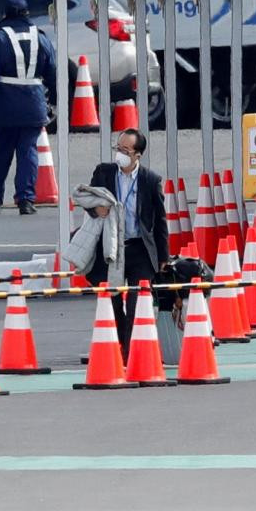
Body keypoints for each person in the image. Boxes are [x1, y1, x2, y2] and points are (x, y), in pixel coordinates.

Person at [85, 128, 169, 357]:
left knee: (136, 302)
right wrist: (95, 209)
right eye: (118, 148)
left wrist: (163, 257)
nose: (119, 154)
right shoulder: (104, 173)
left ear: (137, 155)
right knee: (111, 300)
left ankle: (130, 353)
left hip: (140, 248)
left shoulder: (150, 180)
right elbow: (88, 199)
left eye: (125, 150)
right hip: (111, 249)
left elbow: (160, 220)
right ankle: (121, 341)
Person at [0, 0, 57, 216]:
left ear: (6, 14)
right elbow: (52, 71)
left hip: (4, 105)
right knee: (28, 151)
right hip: (33, 104)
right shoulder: (41, 37)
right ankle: (26, 200)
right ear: (27, 14)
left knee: (0, 153)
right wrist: (59, 100)